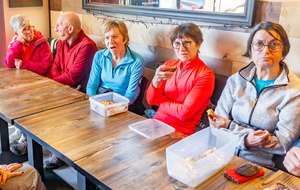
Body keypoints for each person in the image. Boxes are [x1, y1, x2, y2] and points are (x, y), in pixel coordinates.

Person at [209, 21, 300, 168]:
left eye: (274, 44)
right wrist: (245, 140)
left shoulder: (294, 91)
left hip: (259, 165)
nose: (265, 51)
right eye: (258, 44)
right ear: (251, 49)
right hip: (221, 154)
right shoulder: (235, 81)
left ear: (284, 49)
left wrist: (230, 126)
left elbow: (283, 143)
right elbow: (216, 125)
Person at [146, 23, 215, 135]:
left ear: (199, 44)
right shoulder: (169, 64)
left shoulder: (205, 75)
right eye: (177, 43)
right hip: (156, 123)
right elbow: (150, 100)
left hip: (180, 133)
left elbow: (184, 113)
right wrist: (156, 80)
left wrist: (160, 100)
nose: (181, 48)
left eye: (187, 43)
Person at [6, 14, 53, 156]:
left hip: (42, 83)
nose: (29, 31)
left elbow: (46, 66)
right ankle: (22, 132)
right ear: (17, 33)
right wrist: (18, 44)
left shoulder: (41, 42)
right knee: (13, 97)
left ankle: (26, 141)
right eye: (24, 29)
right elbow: (8, 63)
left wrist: (25, 65)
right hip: (25, 84)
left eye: (30, 27)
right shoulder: (16, 42)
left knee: (28, 103)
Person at [86, 19, 145, 105]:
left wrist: (113, 106)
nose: (110, 41)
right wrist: (93, 104)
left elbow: (131, 94)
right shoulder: (99, 56)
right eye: (107, 37)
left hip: (122, 104)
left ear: (125, 39)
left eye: (115, 37)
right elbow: (92, 85)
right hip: (99, 101)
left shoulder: (136, 61)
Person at [50, 12, 98, 91]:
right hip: (64, 87)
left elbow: (73, 77)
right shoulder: (61, 42)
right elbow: (55, 67)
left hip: (80, 90)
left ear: (70, 29)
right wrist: (60, 85)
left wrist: (49, 83)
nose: (55, 29)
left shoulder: (87, 46)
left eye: (59, 25)